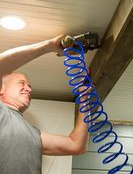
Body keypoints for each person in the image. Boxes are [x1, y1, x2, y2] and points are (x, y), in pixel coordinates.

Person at [0, 35, 90, 174]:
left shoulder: (32, 133)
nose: (29, 89)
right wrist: (50, 45)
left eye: (29, 86)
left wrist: (85, 97)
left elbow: (76, 145)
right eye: (21, 84)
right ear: (1, 89)